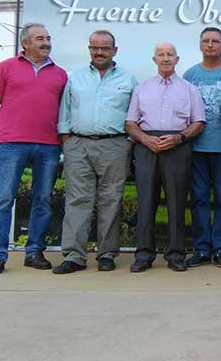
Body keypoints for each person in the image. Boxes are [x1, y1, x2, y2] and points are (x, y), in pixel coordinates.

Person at [0, 23, 68, 275]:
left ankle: (34, 252)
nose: (46, 42)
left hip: (49, 145)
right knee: (4, 198)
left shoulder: (60, 74)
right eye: (40, 38)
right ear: (25, 43)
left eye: (48, 38)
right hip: (12, 145)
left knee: (43, 199)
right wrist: (7, 132)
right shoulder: (6, 67)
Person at [53, 30, 137, 274]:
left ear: (114, 51)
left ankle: (107, 254)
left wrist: (128, 142)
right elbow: (65, 112)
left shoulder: (128, 79)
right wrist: (68, 141)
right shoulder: (76, 78)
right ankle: (74, 256)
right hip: (78, 145)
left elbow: (136, 113)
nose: (99, 52)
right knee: (77, 200)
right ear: (89, 49)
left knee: (111, 200)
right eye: (95, 48)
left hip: (115, 145)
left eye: (105, 48)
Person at [125, 42, 205, 273]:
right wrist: (145, 139)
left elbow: (199, 122)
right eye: (161, 55)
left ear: (177, 59)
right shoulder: (142, 89)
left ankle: (176, 255)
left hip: (177, 146)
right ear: (155, 60)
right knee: (146, 202)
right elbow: (130, 123)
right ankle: (143, 255)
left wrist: (179, 138)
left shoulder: (189, 89)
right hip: (146, 146)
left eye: (170, 54)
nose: (166, 58)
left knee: (177, 202)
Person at [182, 27, 221, 269]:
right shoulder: (190, 75)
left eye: (215, 41)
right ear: (200, 45)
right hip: (196, 147)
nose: (210, 45)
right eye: (206, 41)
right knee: (199, 199)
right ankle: (201, 248)